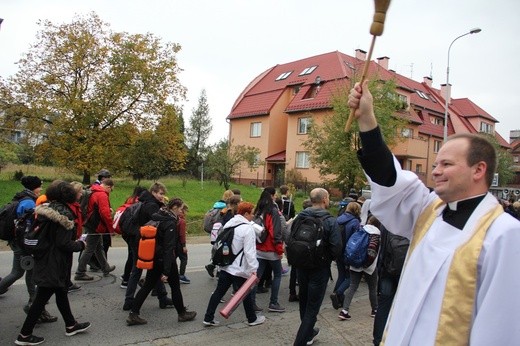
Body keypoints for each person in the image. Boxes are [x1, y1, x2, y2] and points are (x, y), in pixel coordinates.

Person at [348, 81, 520, 344]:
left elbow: (500, 326)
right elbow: (389, 179)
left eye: (447, 164)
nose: (436, 171)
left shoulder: (504, 234)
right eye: (436, 163)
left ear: (478, 170)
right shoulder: (429, 210)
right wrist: (367, 119)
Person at [15, 181, 90, 346]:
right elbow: (64, 243)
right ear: (68, 195)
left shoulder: (47, 208)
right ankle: (24, 335)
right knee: (42, 298)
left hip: (45, 257)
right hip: (55, 261)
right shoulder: (64, 214)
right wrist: (81, 244)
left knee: (61, 291)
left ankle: (71, 325)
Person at [126, 198, 196, 325]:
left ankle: (133, 314)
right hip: (163, 259)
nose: (181, 212)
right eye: (180, 209)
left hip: (154, 256)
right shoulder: (169, 223)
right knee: (175, 286)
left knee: (147, 286)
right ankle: (182, 313)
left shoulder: (159, 216)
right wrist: (167, 270)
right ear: (174, 207)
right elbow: (168, 247)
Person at [202, 201, 265, 327]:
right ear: (246, 214)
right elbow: (249, 252)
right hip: (239, 268)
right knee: (245, 293)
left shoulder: (229, 224)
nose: (253, 216)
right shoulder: (247, 229)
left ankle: (208, 318)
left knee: (218, 292)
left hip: (226, 265)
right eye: (252, 213)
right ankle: (252, 319)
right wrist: (254, 268)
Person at [292, 188, 341, 346]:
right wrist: (326, 258)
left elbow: (290, 237)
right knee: (312, 308)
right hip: (319, 268)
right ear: (325, 199)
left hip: (301, 265)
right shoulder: (330, 221)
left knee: (304, 302)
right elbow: (337, 247)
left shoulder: (301, 216)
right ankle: (301, 341)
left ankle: (308, 334)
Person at [123, 182, 172, 311]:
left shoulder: (145, 201)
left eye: (163, 194)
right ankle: (129, 301)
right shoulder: (151, 205)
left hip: (139, 240)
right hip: (144, 242)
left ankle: (161, 298)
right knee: (139, 270)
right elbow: (156, 218)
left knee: (151, 270)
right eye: (160, 193)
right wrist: (170, 218)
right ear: (154, 192)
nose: (162, 196)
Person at [338, 216, 381, 320]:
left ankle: (344, 310)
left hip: (355, 263)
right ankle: (374, 310)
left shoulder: (360, 229)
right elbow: (372, 251)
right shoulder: (376, 234)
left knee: (352, 286)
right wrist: (366, 264)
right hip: (369, 266)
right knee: (372, 288)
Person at [372, 226, 409, 346]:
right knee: (405, 306)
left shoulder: (388, 222)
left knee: (383, 305)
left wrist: (380, 270)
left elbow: (381, 249)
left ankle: (378, 340)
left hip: (388, 270)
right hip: (407, 271)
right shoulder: (418, 219)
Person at [250, 187, 285, 313]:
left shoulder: (258, 209)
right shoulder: (273, 210)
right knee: (277, 275)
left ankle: (252, 302)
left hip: (259, 247)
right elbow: (275, 232)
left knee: (256, 276)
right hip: (271, 249)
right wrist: (279, 250)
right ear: (272, 196)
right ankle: (273, 302)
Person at [74, 179, 116, 280]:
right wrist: (111, 229)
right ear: (108, 187)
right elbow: (105, 214)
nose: (111, 192)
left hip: (90, 222)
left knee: (98, 247)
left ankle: (105, 267)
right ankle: (80, 272)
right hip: (96, 225)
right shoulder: (102, 195)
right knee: (90, 249)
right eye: (112, 189)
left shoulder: (94, 190)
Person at [330, 201, 361, 310]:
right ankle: (338, 293)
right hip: (348, 253)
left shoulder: (338, 219)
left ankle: (337, 296)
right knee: (350, 278)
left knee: (341, 275)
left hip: (338, 252)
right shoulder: (355, 222)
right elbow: (357, 240)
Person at [120, 186, 147, 288]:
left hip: (127, 230)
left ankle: (126, 276)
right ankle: (127, 279)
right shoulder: (138, 202)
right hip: (134, 232)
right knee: (133, 258)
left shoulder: (129, 199)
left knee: (131, 255)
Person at [204, 190, 234, 278]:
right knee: (224, 252)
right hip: (223, 232)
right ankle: (218, 270)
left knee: (217, 250)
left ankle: (214, 266)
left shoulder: (217, 205)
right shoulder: (227, 207)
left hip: (214, 231)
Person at [176, 203, 190, 284]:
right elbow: (182, 234)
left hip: (174, 242)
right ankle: (181, 275)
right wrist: (184, 245)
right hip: (180, 243)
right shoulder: (182, 221)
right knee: (184, 259)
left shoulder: (175, 218)